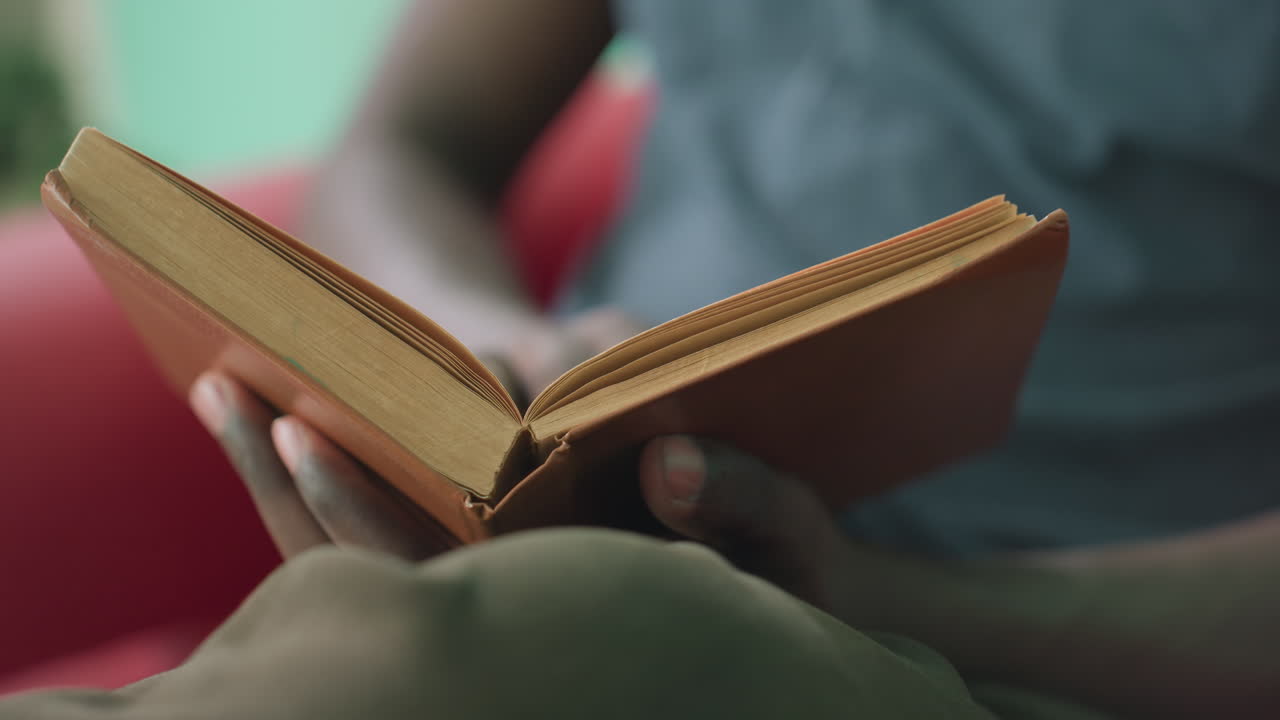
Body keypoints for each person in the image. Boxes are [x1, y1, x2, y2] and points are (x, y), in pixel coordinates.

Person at [5, 0, 1279, 717]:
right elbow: (405, 144)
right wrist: (476, 340)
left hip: (1002, 653)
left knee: (459, 656)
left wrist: (873, 600)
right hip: (573, 545)